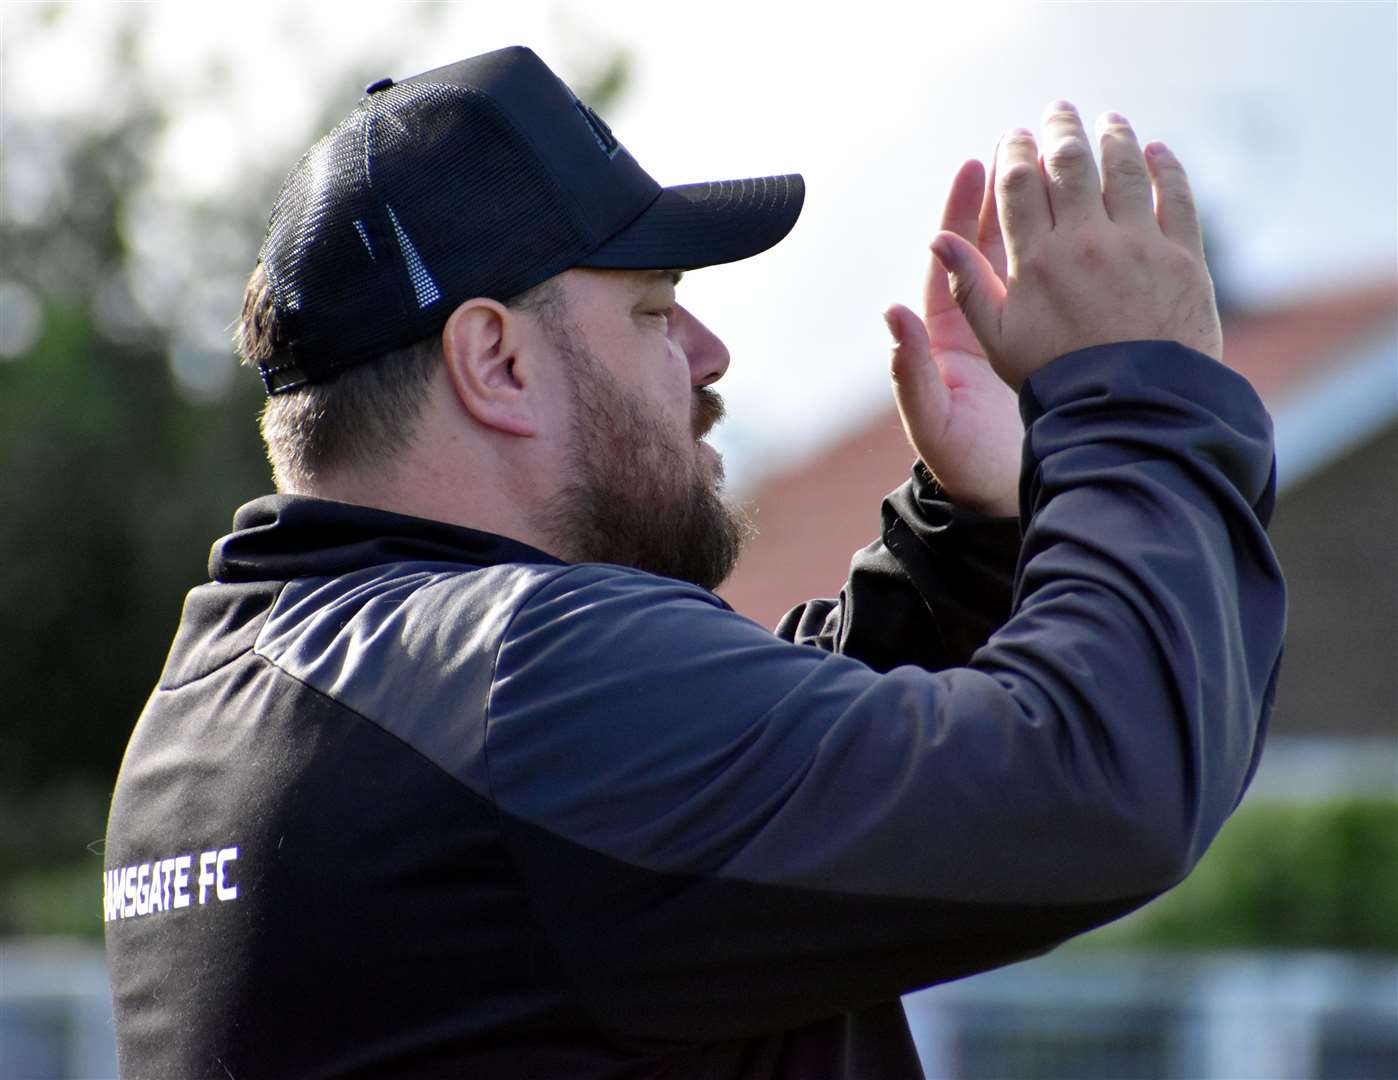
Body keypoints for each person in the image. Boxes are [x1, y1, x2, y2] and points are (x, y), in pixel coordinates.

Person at [103, 45, 1285, 1079]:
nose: (712, 356)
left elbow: (692, 803)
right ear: (495, 361)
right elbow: (1102, 784)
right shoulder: (519, 684)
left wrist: (965, 534)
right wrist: (1139, 392)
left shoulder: (212, 718)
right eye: (657, 310)